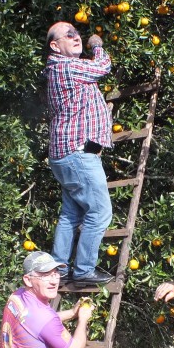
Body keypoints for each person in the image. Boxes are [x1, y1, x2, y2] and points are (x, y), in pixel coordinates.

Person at [43, 21, 114, 286]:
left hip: (67, 155)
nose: (76, 37)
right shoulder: (67, 66)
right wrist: (97, 46)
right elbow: (103, 67)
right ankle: (84, 270)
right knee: (100, 212)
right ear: (55, 45)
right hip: (78, 154)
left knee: (71, 215)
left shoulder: (59, 69)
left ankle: (59, 270)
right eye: (68, 34)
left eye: (77, 33)